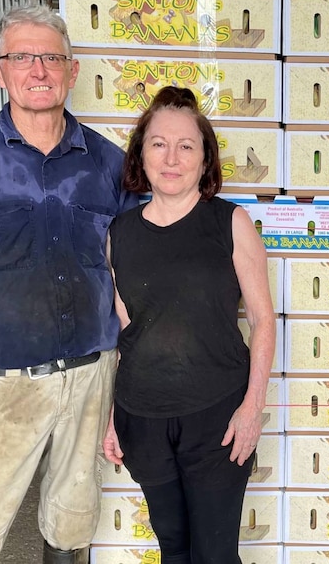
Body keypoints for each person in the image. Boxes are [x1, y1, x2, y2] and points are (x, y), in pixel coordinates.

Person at [0, 4, 136, 564]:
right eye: (22, 57)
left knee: (72, 525)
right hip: (3, 385)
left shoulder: (109, 165)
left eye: (52, 57)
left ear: (73, 70)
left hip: (92, 377)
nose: (38, 69)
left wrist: (129, 388)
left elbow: (134, 278)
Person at [103, 86, 275, 564]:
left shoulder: (231, 223)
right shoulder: (119, 234)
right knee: (173, 551)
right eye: (158, 143)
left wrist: (252, 407)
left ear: (205, 159)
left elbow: (263, 320)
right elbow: (124, 334)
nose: (172, 157)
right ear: (142, 154)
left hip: (217, 417)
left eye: (186, 146)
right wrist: (112, 416)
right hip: (143, 418)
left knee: (214, 556)